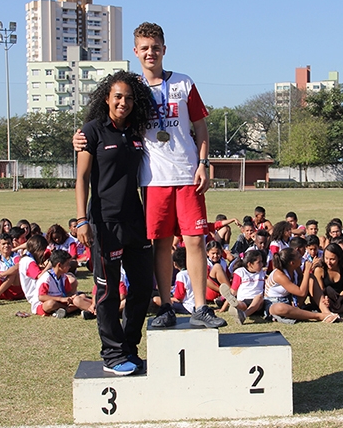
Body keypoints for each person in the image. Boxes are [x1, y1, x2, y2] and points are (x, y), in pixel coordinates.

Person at [75, 23, 225, 330]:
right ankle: (167, 306)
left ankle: (200, 306)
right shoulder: (133, 91)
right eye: (144, 48)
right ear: (135, 52)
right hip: (153, 179)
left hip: (187, 175)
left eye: (155, 47)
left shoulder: (184, 83)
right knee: (161, 243)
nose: (150, 53)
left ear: (164, 49)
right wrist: (78, 137)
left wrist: (203, 163)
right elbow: (106, 120)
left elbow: (200, 128)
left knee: (195, 240)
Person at [75, 70, 156, 375]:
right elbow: (82, 178)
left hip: (136, 219)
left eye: (129, 98)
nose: (123, 102)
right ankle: (111, 354)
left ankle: (129, 348)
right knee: (108, 291)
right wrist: (82, 220)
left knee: (143, 287)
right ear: (107, 98)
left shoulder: (137, 132)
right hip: (104, 222)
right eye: (118, 96)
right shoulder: (92, 131)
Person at [263, 247, 340, 324]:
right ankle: (319, 316)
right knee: (280, 308)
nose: (302, 258)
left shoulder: (296, 268)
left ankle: (327, 312)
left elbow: (303, 282)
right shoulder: (279, 274)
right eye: (299, 257)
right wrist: (307, 270)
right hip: (274, 303)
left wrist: (309, 274)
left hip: (291, 300)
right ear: (292, 263)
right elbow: (302, 292)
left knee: (311, 278)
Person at [34, 250, 93, 318]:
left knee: (81, 296)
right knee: (51, 304)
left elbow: (68, 293)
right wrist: (60, 299)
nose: (69, 266)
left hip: (62, 302)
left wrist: (72, 297)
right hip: (45, 304)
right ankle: (70, 309)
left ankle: (64, 311)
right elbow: (41, 297)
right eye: (67, 264)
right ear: (59, 265)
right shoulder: (46, 278)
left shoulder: (63, 277)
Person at [220, 249, 266, 325]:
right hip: (244, 301)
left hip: (258, 304)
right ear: (250, 264)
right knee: (239, 303)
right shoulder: (240, 272)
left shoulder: (262, 273)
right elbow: (233, 292)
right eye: (259, 262)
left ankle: (244, 315)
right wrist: (223, 308)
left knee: (259, 297)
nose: (262, 264)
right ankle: (236, 305)